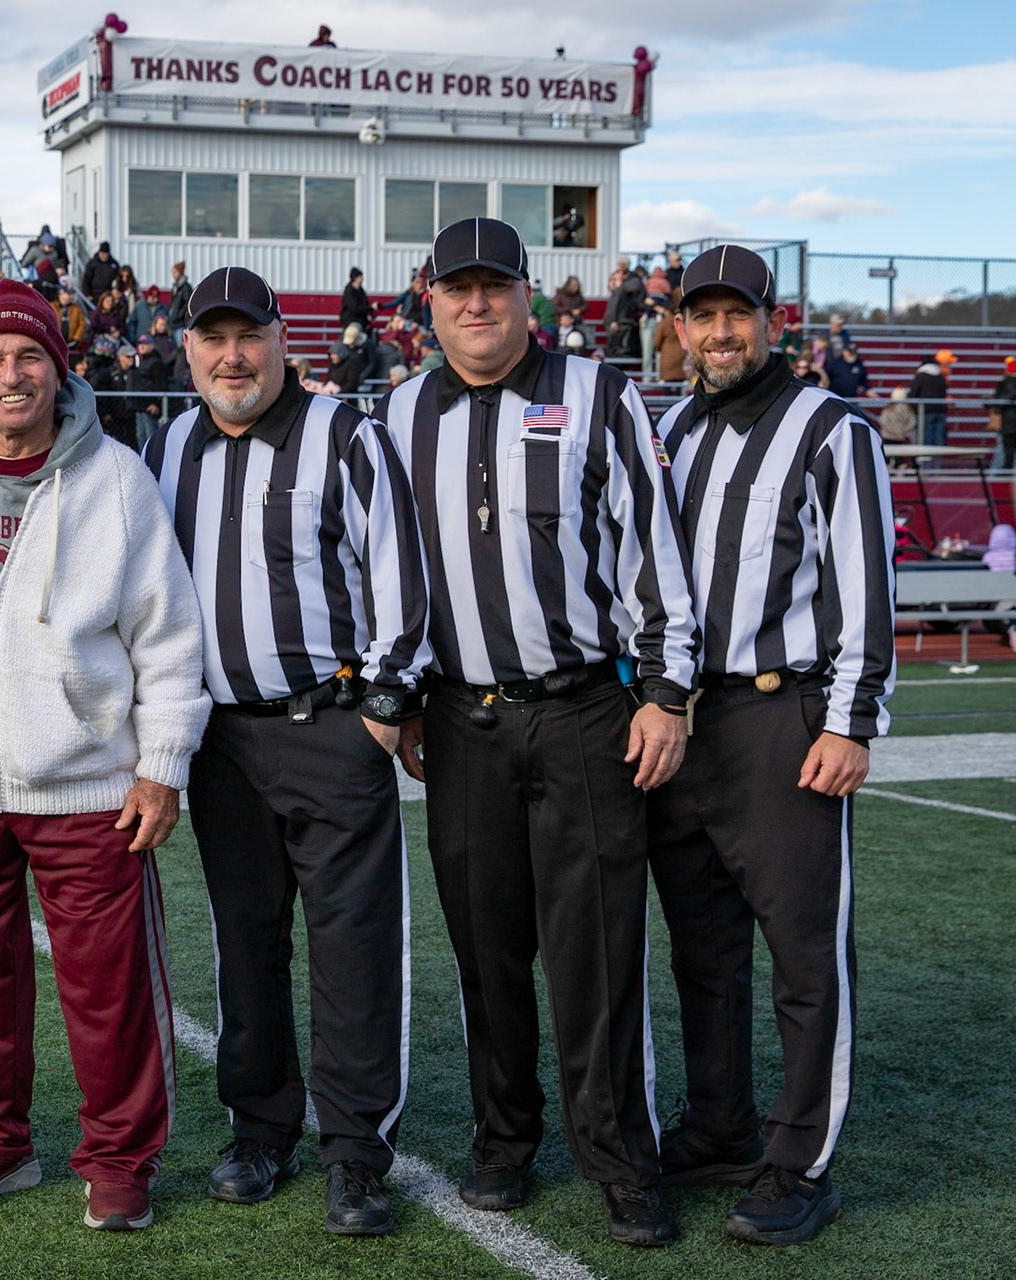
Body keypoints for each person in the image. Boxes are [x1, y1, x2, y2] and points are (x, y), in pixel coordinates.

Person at [383, 219, 699, 1247]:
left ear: (530, 295)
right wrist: (402, 692)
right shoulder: (401, 411)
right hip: (462, 716)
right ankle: (503, 1140)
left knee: (596, 948)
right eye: (458, 288)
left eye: (495, 286)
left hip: (581, 710)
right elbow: (393, 569)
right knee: (486, 947)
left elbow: (654, 548)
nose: (477, 304)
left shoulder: (600, 393)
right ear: (430, 301)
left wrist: (665, 692)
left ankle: (622, 1160)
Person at [0, 281, 207, 1231]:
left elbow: (168, 631)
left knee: (109, 988)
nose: (11, 375)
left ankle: (119, 1158)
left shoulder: (116, 477)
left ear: (59, 369)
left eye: (29, 356)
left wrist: (163, 761)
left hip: (89, 782)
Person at [146, 266, 432, 1238]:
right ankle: (260, 1128)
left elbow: (400, 573)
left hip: (329, 728)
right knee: (246, 943)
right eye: (213, 339)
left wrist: (382, 709)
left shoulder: (344, 434)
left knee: (353, 947)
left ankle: (355, 1149)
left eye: (249, 337)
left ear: (281, 340)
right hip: (223, 740)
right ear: (187, 349)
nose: (232, 357)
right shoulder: (168, 447)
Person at [650, 244, 896, 1246]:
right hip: (684, 720)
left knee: (804, 953)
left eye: (737, 315)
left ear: (772, 320)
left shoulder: (832, 428)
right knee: (703, 949)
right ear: (678, 328)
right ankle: (720, 1126)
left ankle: (801, 1161)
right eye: (702, 316)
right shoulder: (673, 429)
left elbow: (865, 582)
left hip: (780, 715)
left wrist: (849, 721)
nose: (720, 333)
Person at [907, 351, 954, 448]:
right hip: (940, 410)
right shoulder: (940, 375)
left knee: (925, 438)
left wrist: (914, 408)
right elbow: (944, 391)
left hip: (925, 411)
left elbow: (913, 393)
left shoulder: (921, 376)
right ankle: (937, 457)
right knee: (939, 438)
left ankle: (925, 457)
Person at [988, 356, 1016, 470]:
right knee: (1004, 449)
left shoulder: (1010, 382)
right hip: (1009, 422)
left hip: (1009, 422)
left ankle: (997, 474)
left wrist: (994, 403)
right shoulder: (1007, 382)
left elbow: (1005, 398)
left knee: (1003, 450)